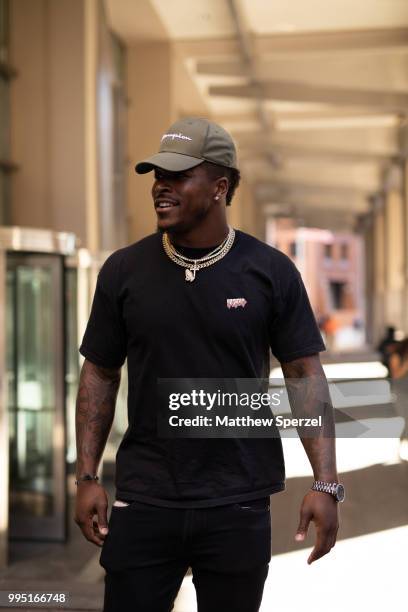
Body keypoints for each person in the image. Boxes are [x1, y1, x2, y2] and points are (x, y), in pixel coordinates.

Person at [74, 117, 343, 612]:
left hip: (237, 499)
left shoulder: (270, 272)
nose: (160, 186)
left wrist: (325, 482)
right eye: (158, 175)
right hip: (145, 497)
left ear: (220, 187)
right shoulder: (123, 271)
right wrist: (87, 477)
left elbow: (304, 374)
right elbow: (100, 372)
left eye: (178, 176)